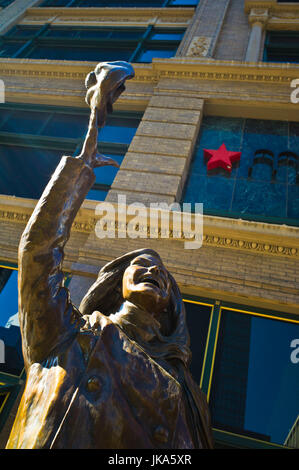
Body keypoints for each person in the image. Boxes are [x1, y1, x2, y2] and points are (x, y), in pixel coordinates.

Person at [6, 62, 213, 449]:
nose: (152, 269)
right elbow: (38, 252)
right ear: (116, 284)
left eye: (162, 272)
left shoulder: (185, 390)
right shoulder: (70, 332)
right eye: (140, 264)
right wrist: (84, 158)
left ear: (172, 304)